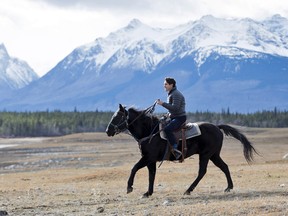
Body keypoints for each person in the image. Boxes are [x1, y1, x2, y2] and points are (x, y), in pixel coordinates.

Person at [156, 77, 186, 160]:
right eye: (164, 84)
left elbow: (175, 108)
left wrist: (162, 104)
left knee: (167, 129)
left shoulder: (176, 94)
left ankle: (175, 148)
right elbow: (171, 109)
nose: (164, 86)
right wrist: (166, 116)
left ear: (171, 85)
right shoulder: (171, 93)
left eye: (165, 84)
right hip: (174, 117)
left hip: (180, 118)